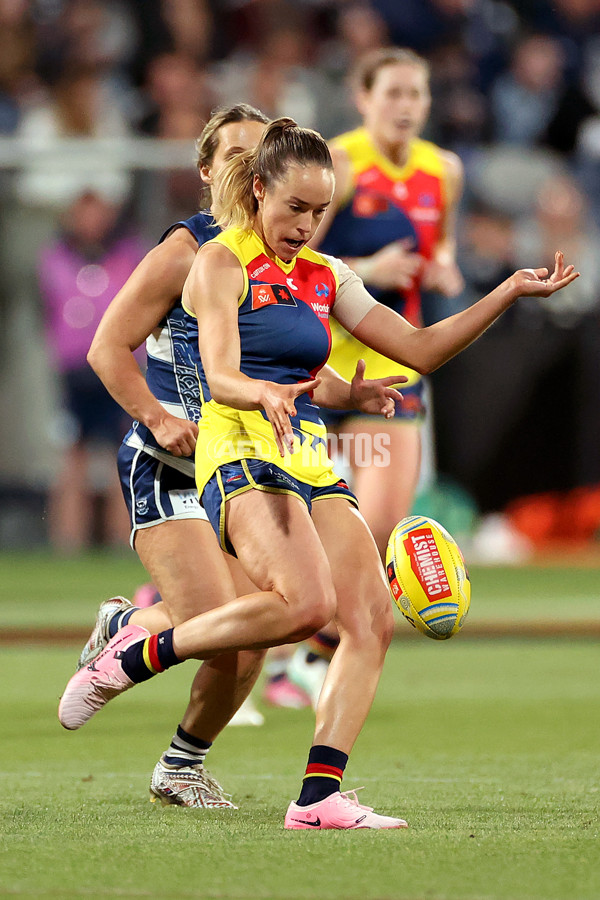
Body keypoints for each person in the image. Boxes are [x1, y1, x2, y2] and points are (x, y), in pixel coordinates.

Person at [58, 118, 578, 830]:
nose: (305, 225)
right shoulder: (216, 261)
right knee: (300, 609)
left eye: (319, 211)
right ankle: (141, 652)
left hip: (306, 455)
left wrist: (508, 294)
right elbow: (219, 374)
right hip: (238, 451)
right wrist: (261, 392)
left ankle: (318, 797)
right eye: (294, 208)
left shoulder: (326, 277)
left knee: (367, 618)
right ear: (260, 189)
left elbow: (419, 349)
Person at [75, 104, 407, 808]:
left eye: (258, 154)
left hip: (251, 464)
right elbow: (106, 347)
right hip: (172, 468)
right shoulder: (189, 252)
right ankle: (141, 648)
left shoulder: (285, 257)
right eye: (231, 155)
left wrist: (343, 393)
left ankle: (174, 743)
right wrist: (158, 418)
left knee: (262, 621)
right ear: (209, 172)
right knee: (229, 623)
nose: (246, 167)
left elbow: (308, 361)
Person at [285, 46, 465, 707]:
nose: (405, 106)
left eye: (415, 94)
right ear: (363, 100)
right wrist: (369, 267)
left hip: (392, 364)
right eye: (392, 93)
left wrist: (440, 266)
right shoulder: (340, 162)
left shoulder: (443, 170)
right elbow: (293, 253)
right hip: (319, 361)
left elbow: (436, 243)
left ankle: (310, 657)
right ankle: (197, 615)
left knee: (385, 524)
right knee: (289, 524)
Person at [39, 186, 147, 551]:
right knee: (72, 458)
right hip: (74, 373)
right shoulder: (55, 257)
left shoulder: (129, 254)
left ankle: (124, 539)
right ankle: (67, 543)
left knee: (125, 453)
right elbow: (51, 309)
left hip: (120, 369)